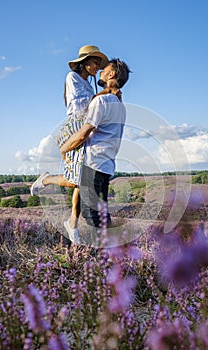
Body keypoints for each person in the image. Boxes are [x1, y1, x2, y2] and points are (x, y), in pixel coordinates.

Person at [31, 45, 120, 243]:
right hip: (74, 128)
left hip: (85, 128)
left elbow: (93, 106)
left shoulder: (90, 84)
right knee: (75, 180)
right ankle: (45, 180)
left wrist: (104, 95)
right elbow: (81, 107)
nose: (97, 67)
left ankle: (72, 224)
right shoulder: (72, 78)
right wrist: (105, 93)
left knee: (82, 177)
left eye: (99, 64)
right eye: (95, 62)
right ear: (85, 62)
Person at [60, 58, 131, 243]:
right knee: (101, 212)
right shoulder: (120, 105)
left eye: (104, 69)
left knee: (91, 213)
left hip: (92, 162)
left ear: (112, 74)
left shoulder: (102, 101)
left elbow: (84, 132)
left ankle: (103, 257)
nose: (100, 71)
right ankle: (109, 257)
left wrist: (64, 148)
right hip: (107, 164)